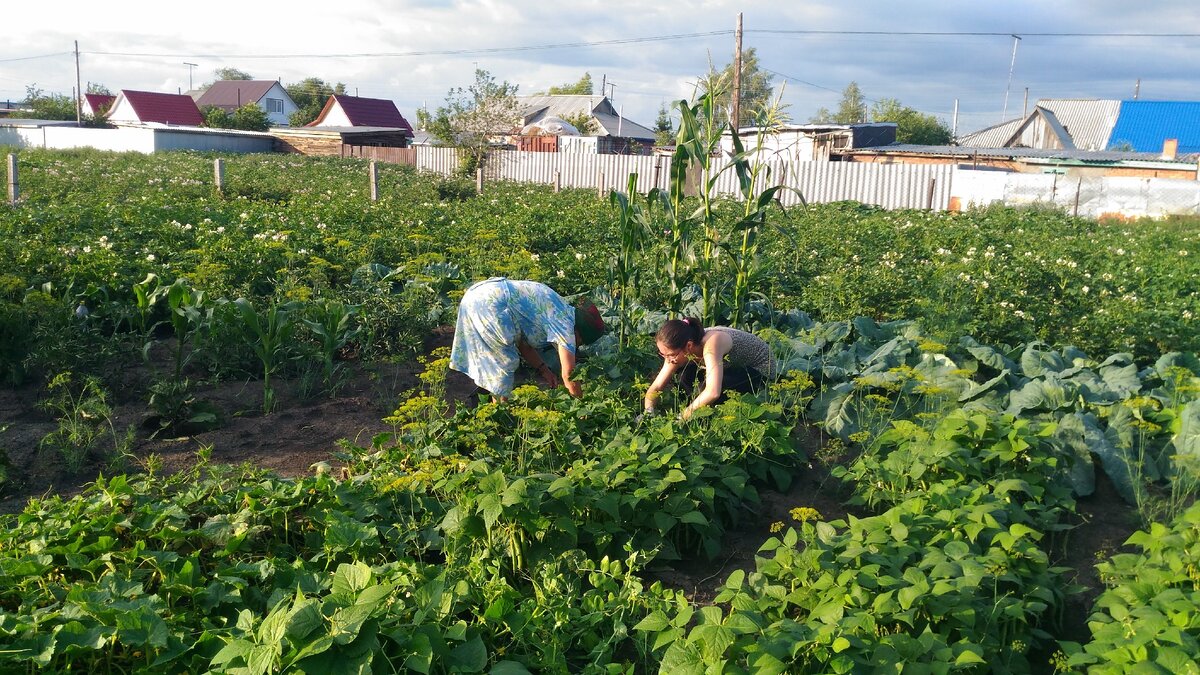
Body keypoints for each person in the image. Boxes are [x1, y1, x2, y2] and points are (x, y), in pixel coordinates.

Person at [449, 277, 606, 400]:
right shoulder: (565, 326)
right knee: (503, 363)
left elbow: (524, 345)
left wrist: (545, 371)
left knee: (489, 361)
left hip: (478, 295)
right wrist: (581, 406)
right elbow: (569, 374)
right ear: (578, 333)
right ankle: (499, 415)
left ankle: (485, 400)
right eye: (580, 342)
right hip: (491, 305)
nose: (575, 346)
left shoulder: (561, 309)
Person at [643, 317, 777, 420]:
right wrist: (648, 412)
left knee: (709, 388)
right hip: (731, 366)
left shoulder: (711, 344)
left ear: (689, 346)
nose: (668, 360)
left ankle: (711, 417)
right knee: (685, 377)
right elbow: (656, 387)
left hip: (759, 369)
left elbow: (713, 392)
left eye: (671, 355)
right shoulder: (678, 348)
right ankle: (697, 410)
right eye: (663, 354)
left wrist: (682, 418)